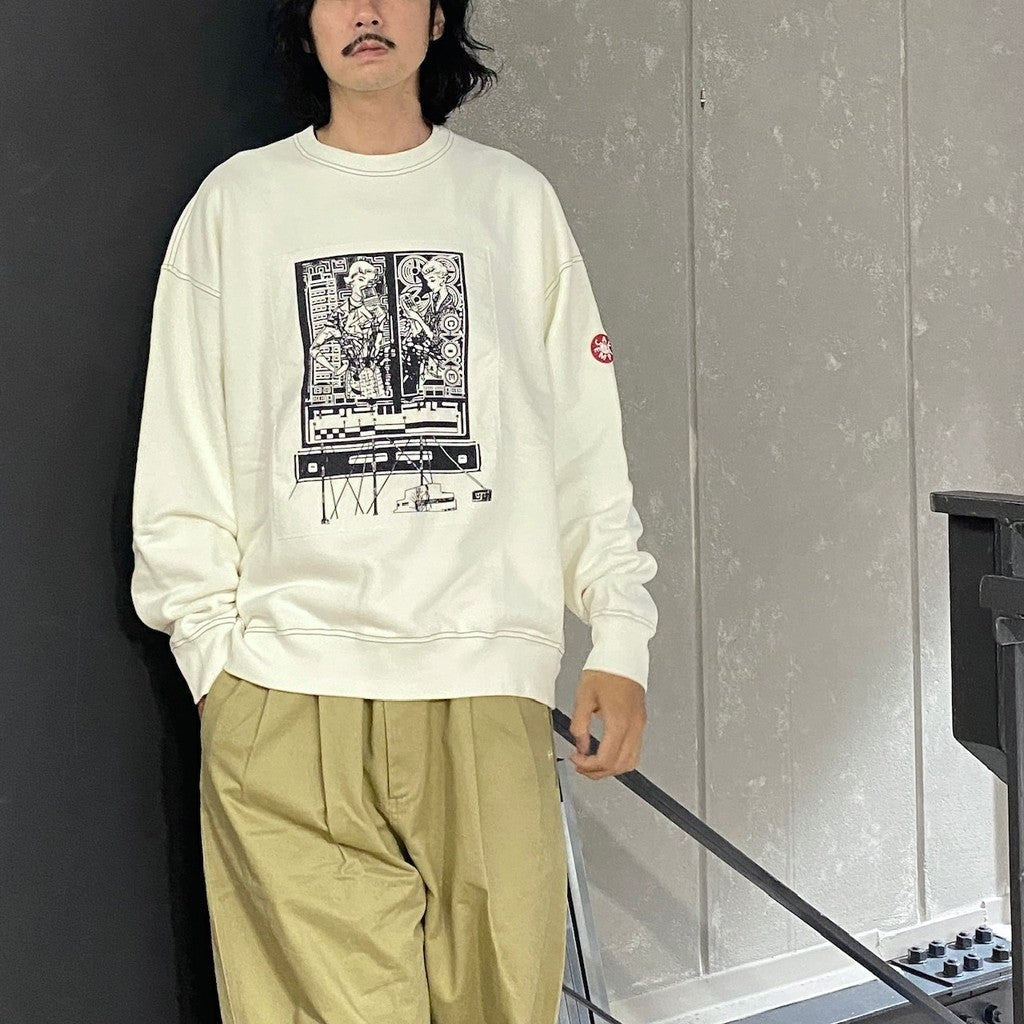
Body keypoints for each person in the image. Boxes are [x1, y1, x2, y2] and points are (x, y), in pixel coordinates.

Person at [129, 0, 659, 1020]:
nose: (366, 11)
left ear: (438, 14)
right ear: (303, 21)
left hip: (485, 684)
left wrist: (620, 635)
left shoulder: (512, 204)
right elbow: (181, 453)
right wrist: (216, 664)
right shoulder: (239, 206)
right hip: (287, 690)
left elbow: (585, 444)